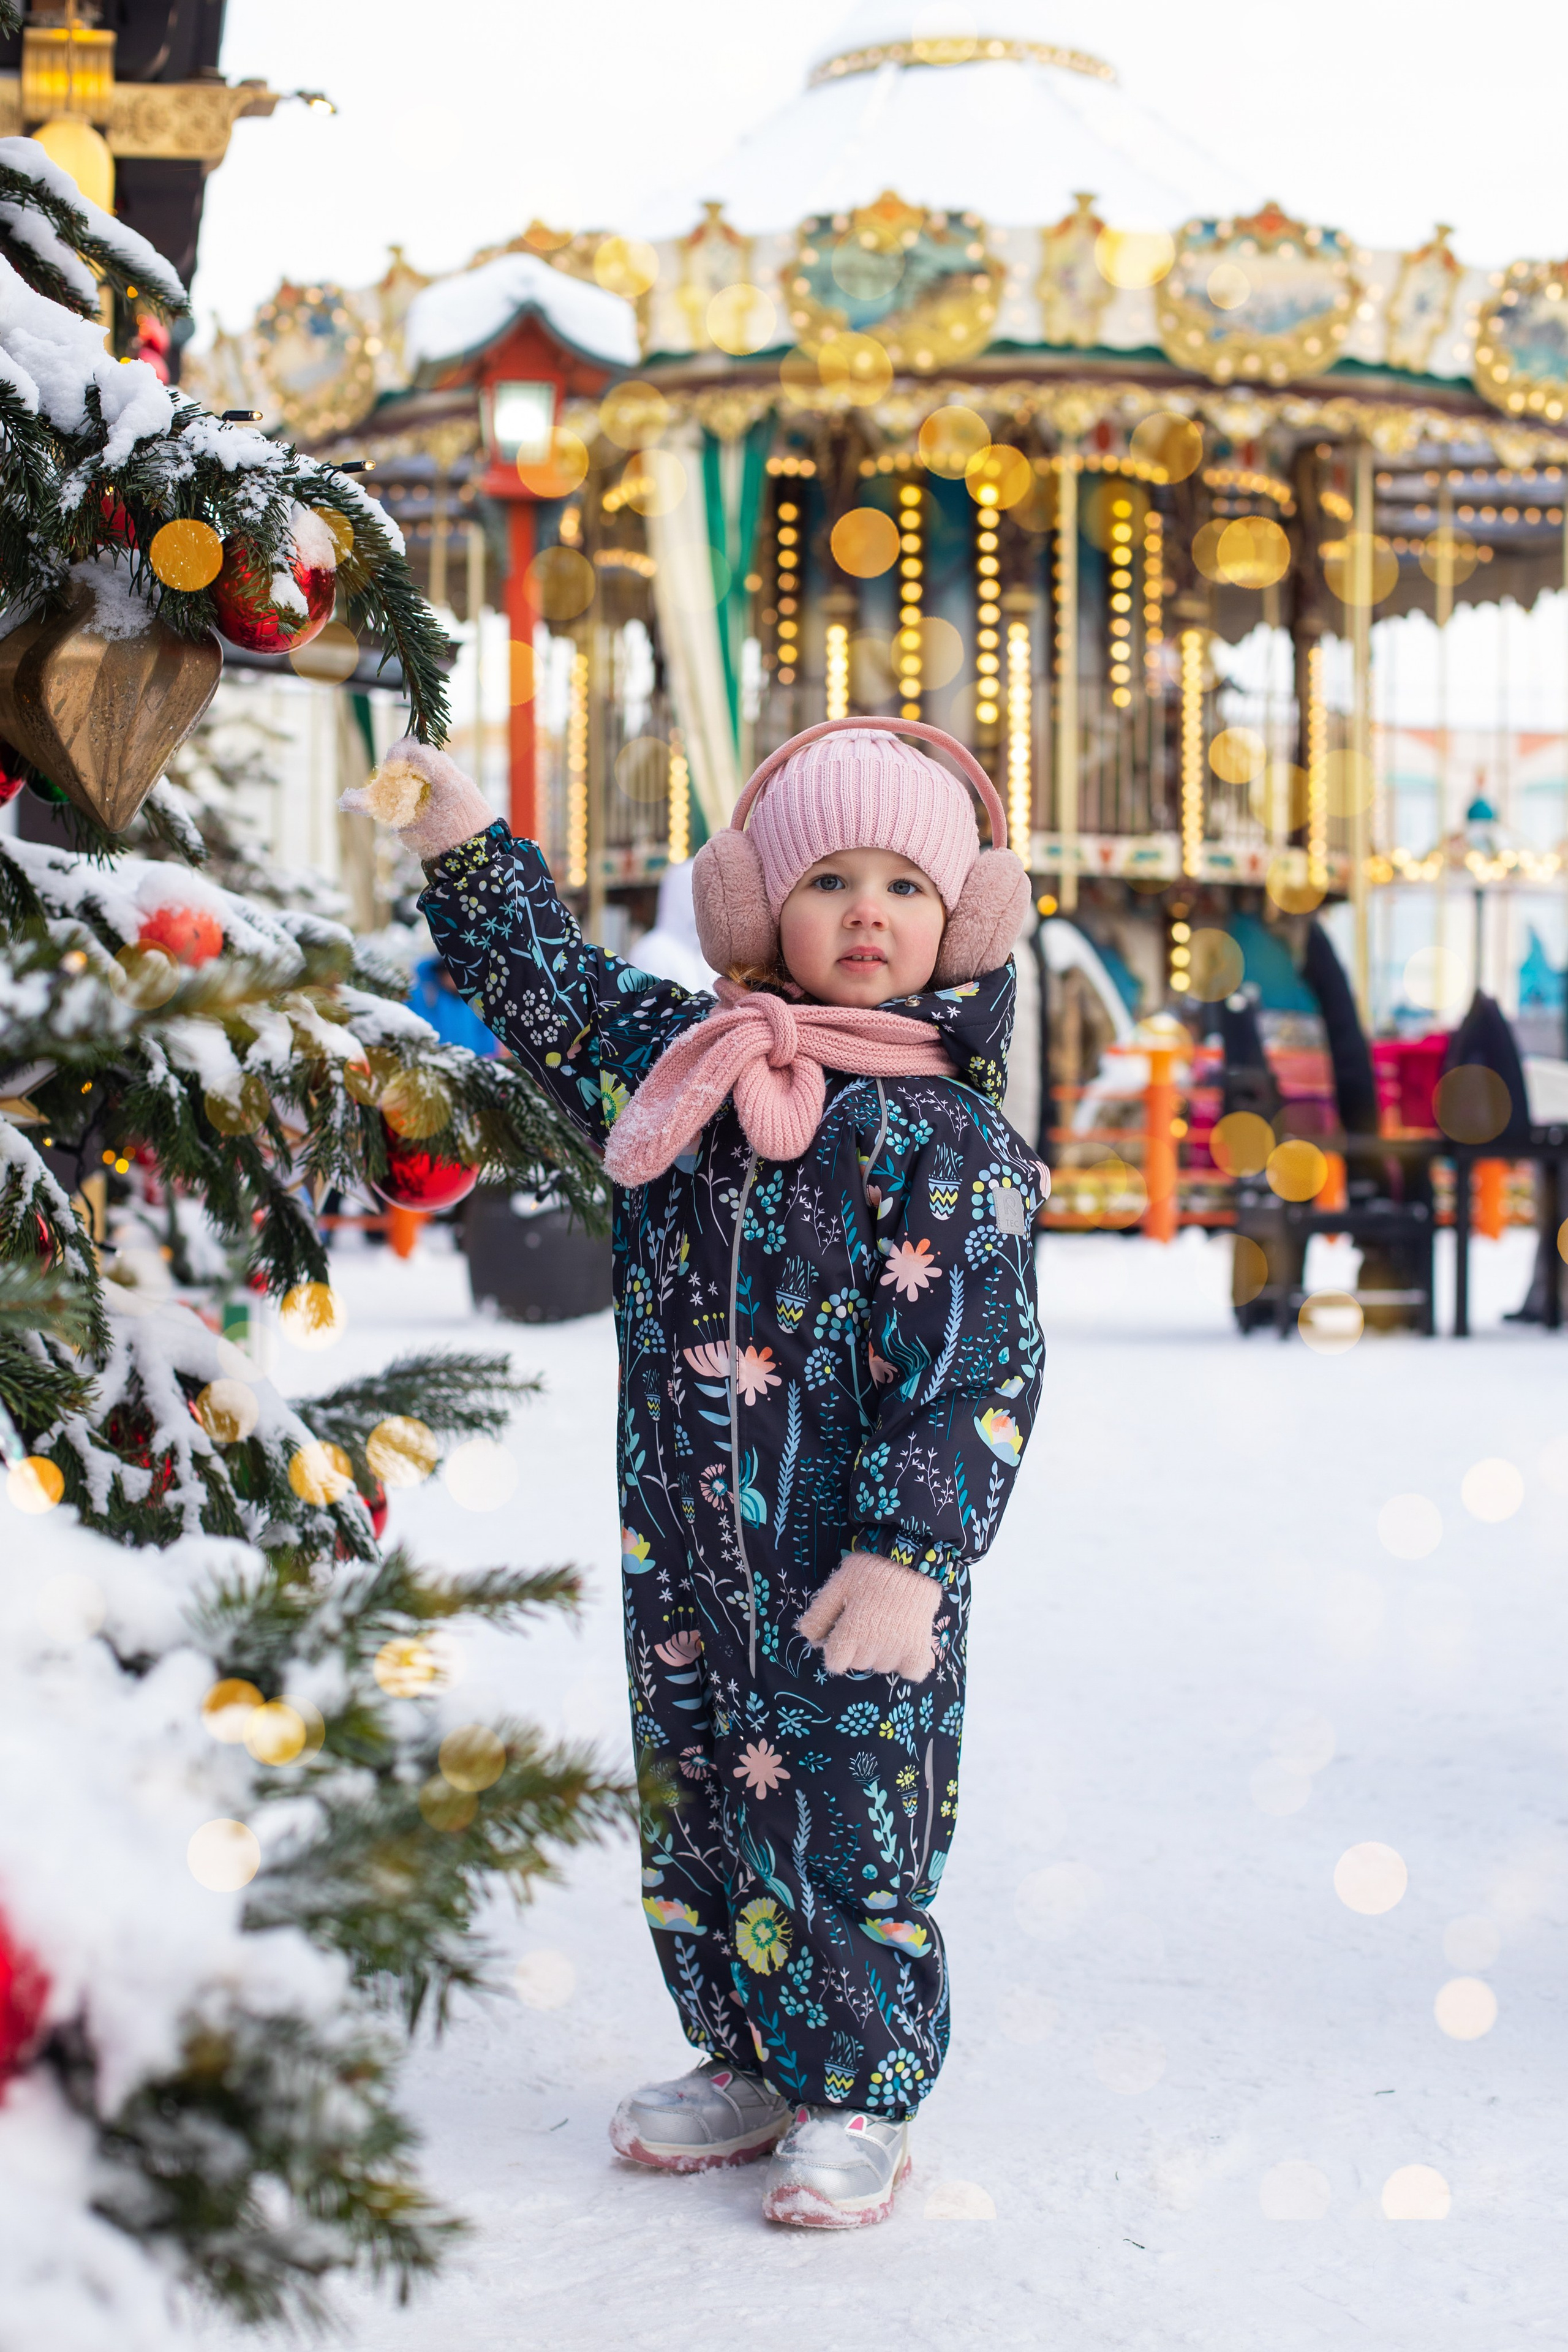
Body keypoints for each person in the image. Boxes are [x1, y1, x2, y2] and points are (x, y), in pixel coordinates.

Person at [343, 718, 1045, 2229]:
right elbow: (547, 987)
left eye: (906, 888)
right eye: (830, 880)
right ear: (750, 907)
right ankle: (743, 2049)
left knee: (849, 1815)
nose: (868, 914)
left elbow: (974, 1375)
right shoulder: (689, 1066)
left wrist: (909, 1556)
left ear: (963, 921)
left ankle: (855, 2086)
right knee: (706, 1802)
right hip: (684, 1549)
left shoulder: (945, 1139)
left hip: (849, 1569)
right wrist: (455, 834)